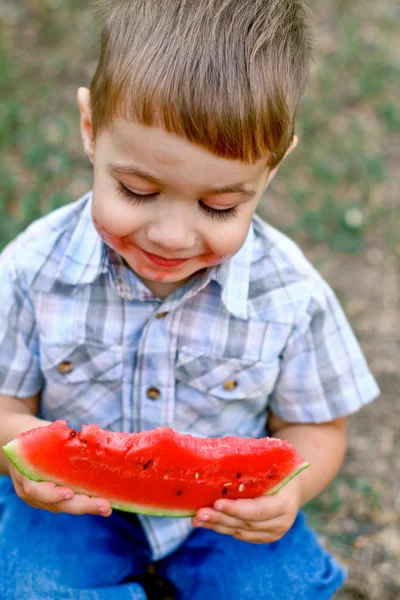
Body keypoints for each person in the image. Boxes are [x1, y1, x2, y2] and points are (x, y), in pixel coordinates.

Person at [0, 1, 379, 599]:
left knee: (281, 588)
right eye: (137, 191)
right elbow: (5, 407)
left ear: (271, 170)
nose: (172, 236)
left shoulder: (290, 294)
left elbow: (318, 428)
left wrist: (291, 494)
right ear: (91, 131)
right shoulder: (30, 270)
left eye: (219, 207)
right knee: (26, 585)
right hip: (70, 509)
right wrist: (22, 454)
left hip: (224, 515)